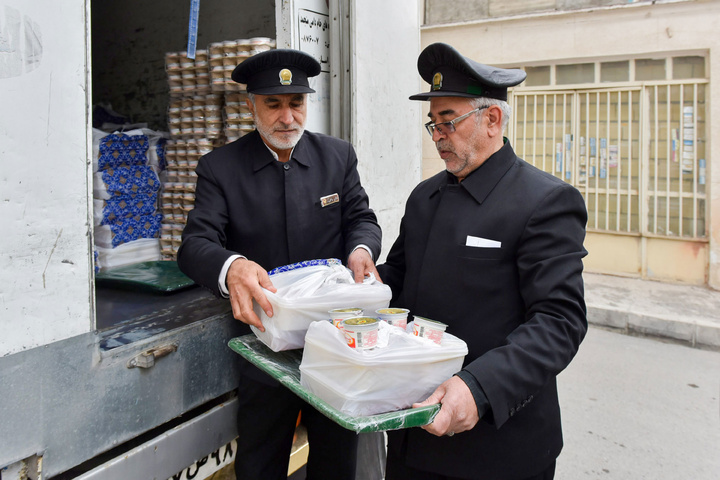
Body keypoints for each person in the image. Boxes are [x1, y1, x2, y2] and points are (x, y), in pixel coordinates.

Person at [377, 43, 588, 480]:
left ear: (492, 119)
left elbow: (559, 321)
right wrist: (354, 289)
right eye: (432, 124)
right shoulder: (424, 197)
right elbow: (398, 279)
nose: (437, 136)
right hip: (414, 432)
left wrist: (479, 387)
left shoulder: (544, 201)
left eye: (448, 121)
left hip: (497, 446)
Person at [177, 49, 382, 480]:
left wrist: (361, 251)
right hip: (264, 348)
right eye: (274, 104)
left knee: (336, 461)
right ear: (251, 105)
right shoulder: (220, 168)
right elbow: (194, 243)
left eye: (297, 103)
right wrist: (231, 266)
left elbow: (360, 219)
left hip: (334, 343)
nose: (287, 117)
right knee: (261, 461)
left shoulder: (337, 156)